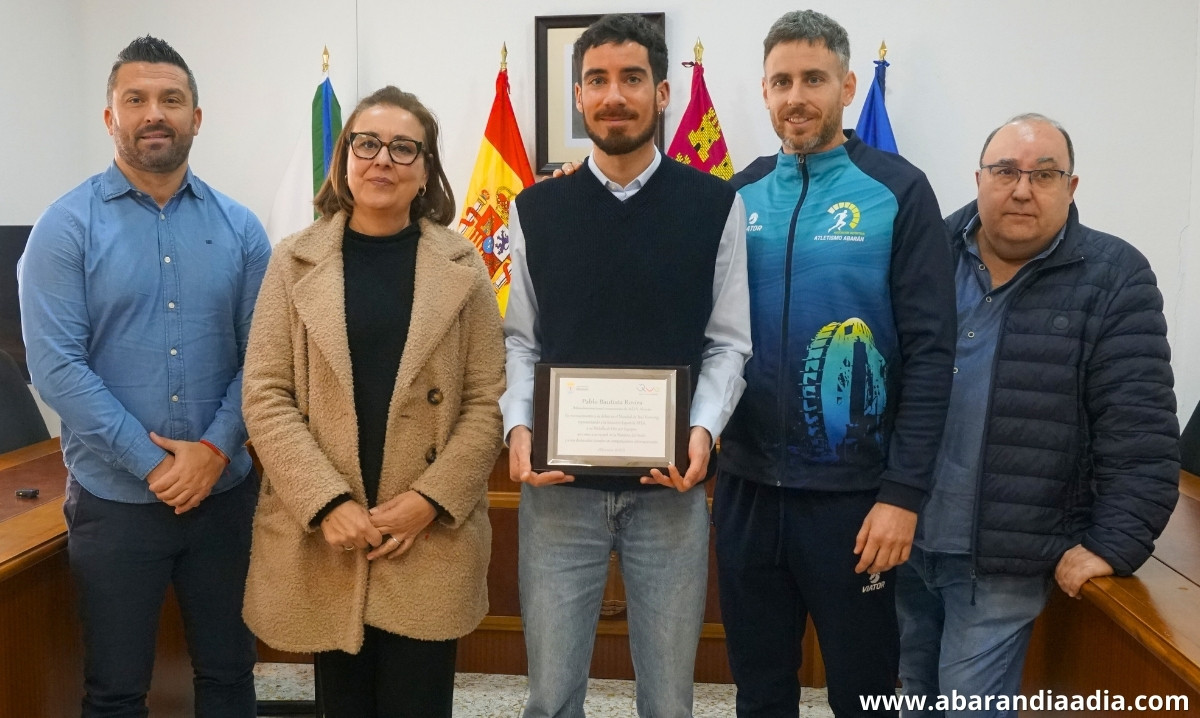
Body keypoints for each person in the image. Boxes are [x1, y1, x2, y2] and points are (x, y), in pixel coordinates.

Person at [500, 13, 751, 718]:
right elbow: (520, 339)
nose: (615, 95)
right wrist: (520, 428)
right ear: (578, 98)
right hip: (557, 491)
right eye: (598, 81)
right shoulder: (536, 208)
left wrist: (701, 430)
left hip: (669, 489)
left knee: (670, 700)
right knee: (550, 698)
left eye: (632, 79)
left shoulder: (714, 205)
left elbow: (728, 341)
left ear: (662, 93)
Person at [713, 10, 957, 717]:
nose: (797, 96)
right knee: (759, 687)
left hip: (857, 498)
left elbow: (934, 351)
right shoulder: (737, 194)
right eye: (782, 80)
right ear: (763, 92)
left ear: (847, 85)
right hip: (748, 490)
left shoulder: (899, 192)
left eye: (813, 78)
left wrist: (902, 496)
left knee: (866, 691)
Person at [895, 114, 1180, 717]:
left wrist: (1117, 542)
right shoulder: (926, 255)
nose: (1022, 189)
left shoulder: (1113, 277)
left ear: (1071, 187)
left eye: (1044, 174)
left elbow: (1142, 433)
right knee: (903, 701)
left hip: (1005, 561)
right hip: (906, 540)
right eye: (1005, 172)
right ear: (978, 179)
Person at [17, 36, 269, 717]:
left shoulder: (242, 230)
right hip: (115, 506)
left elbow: (266, 361)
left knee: (228, 675)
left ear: (196, 117)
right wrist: (155, 465)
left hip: (224, 502)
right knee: (115, 690)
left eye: (171, 100)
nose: (154, 113)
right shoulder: (64, 229)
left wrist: (214, 452)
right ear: (110, 118)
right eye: (136, 100)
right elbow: (56, 367)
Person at [240, 85, 504, 718]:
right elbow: (266, 394)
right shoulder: (292, 261)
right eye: (367, 143)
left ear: (425, 170)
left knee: (420, 701)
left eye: (403, 147)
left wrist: (429, 503)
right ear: (344, 159)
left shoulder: (465, 266)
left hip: (428, 534)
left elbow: (485, 402)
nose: (382, 159)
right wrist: (326, 503)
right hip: (333, 533)